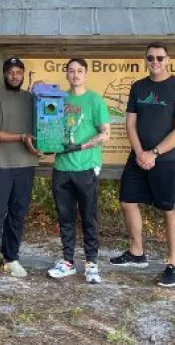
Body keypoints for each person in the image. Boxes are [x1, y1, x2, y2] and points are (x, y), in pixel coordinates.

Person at [110, 43, 175, 288]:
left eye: (159, 57)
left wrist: (154, 153)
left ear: (168, 59)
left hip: (167, 160)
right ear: (145, 60)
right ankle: (137, 253)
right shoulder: (139, 87)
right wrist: (140, 153)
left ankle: (174, 265)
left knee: (169, 210)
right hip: (138, 157)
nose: (154, 61)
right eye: (150, 58)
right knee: (127, 201)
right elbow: (130, 124)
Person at [47, 58, 111, 284]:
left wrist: (82, 146)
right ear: (66, 74)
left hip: (86, 167)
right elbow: (48, 128)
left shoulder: (94, 100)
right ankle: (67, 262)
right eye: (71, 71)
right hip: (61, 168)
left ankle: (92, 264)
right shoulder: (58, 100)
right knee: (65, 217)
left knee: (89, 217)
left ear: (86, 74)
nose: (75, 75)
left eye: (80, 71)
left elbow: (106, 133)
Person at [0, 57, 40, 285]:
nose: (15, 76)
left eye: (18, 72)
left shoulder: (32, 100)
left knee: (18, 214)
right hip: (1, 165)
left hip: (26, 165)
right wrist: (21, 137)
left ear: (24, 75)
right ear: (5, 75)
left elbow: (46, 122)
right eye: (11, 72)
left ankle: (11, 257)